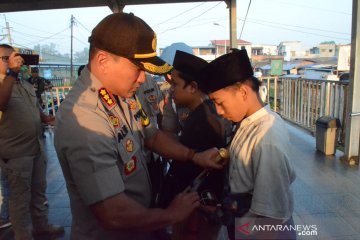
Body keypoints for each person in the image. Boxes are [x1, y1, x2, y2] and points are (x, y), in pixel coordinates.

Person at [54, 12, 224, 240]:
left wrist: (194, 156)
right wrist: (170, 215)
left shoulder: (122, 94)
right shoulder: (86, 119)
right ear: (103, 62)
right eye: (138, 69)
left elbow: (151, 137)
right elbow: (113, 214)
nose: (143, 79)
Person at [198, 49, 296, 240]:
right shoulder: (246, 123)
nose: (218, 111)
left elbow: (270, 221)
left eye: (220, 102)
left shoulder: (267, 140)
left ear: (243, 92)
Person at [158, 50, 226, 240]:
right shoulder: (201, 113)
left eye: (176, 84)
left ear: (193, 87)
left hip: (198, 207)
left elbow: (197, 173)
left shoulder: (204, 120)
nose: (171, 90)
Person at [0, 44, 64, 240]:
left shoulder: (25, 83)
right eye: (5, 58)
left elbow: (34, 108)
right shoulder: (7, 82)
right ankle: (23, 235)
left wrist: (47, 118)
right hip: (15, 152)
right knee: (19, 197)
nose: (13, 61)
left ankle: (41, 226)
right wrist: (11, 73)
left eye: (15, 57)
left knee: (39, 192)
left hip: (36, 146)